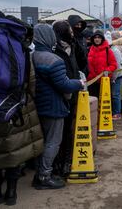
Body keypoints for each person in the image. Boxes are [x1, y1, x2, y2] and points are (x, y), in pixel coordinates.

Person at [0, 14, 44, 206]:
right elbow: (31, 80)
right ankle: (12, 193)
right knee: (15, 151)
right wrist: (29, 100)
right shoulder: (20, 46)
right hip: (18, 106)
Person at [31, 24, 84, 190]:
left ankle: (40, 171)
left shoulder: (31, 55)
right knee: (53, 142)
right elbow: (64, 85)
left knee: (41, 141)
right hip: (53, 106)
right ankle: (44, 176)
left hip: (36, 105)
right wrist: (79, 83)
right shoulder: (53, 60)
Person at [52, 20, 80, 177]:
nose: (72, 33)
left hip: (72, 94)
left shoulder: (73, 47)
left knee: (69, 130)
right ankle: (57, 164)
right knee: (58, 133)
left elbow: (80, 65)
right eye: (69, 30)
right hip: (59, 96)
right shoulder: (54, 50)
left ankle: (66, 163)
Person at [87, 30, 118, 98]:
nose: (97, 39)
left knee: (104, 103)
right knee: (93, 103)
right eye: (95, 37)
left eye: (99, 37)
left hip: (104, 81)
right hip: (92, 82)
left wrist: (106, 70)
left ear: (102, 39)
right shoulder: (90, 50)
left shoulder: (108, 50)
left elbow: (114, 65)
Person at [110, 31, 122, 120]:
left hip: (118, 72)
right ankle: (119, 110)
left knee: (116, 94)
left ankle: (117, 112)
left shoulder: (115, 47)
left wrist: (114, 76)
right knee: (120, 92)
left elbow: (117, 62)